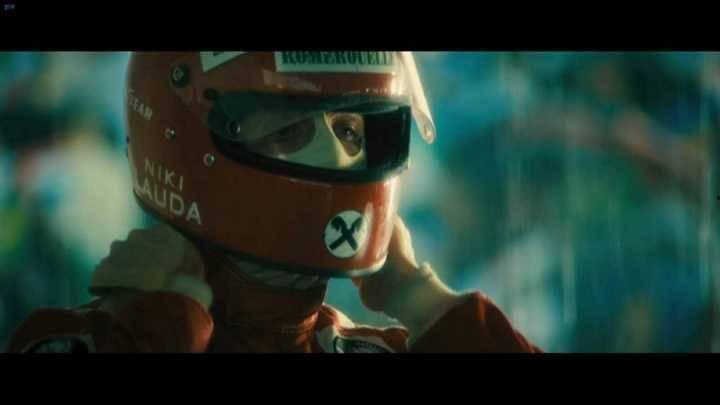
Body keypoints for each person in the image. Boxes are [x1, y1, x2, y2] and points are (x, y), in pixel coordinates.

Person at [7, 52, 540, 353]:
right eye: (288, 130)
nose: (341, 159)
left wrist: (421, 299)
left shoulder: (367, 348)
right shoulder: (74, 345)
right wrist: (160, 333)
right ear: (186, 147)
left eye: (351, 131)